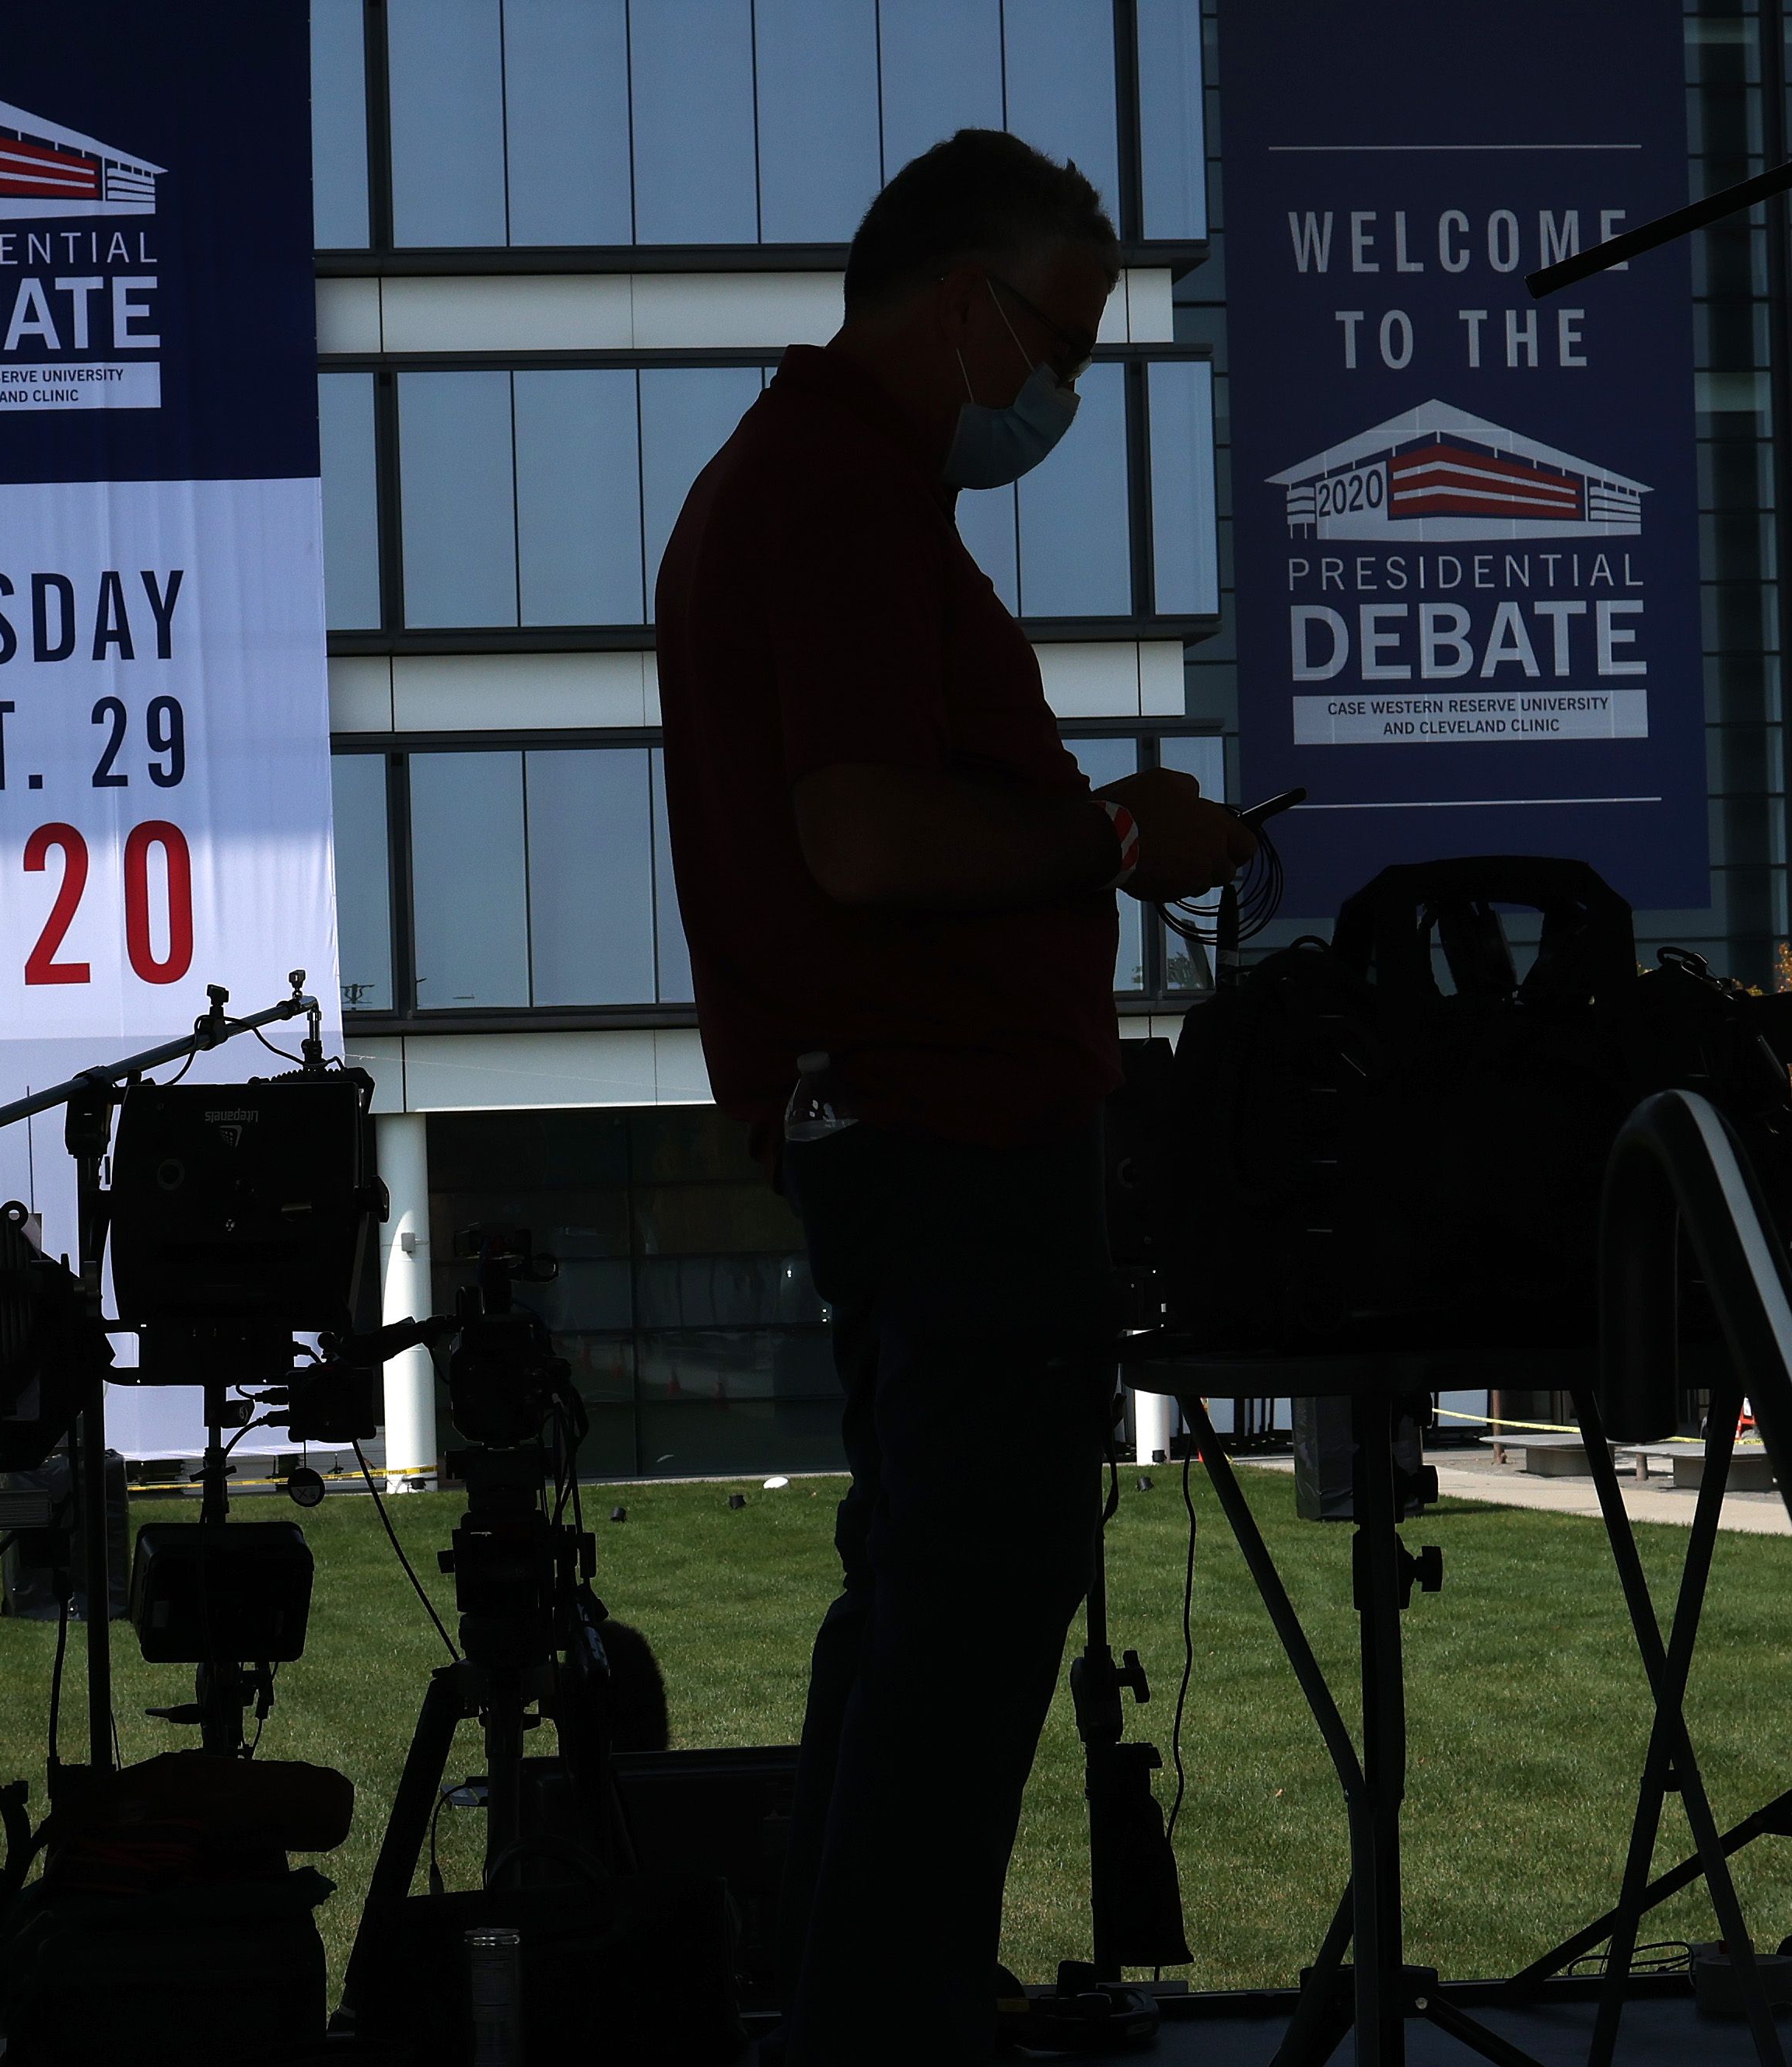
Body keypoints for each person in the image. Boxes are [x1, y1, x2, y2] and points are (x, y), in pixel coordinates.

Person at [652, 129, 1252, 2067]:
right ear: (964, 306)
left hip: (913, 1127)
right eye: (1059, 344)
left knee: (922, 1595)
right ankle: (881, 2023)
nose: (1063, 389)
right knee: (972, 1610)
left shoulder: (815, 489)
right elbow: (863, 839)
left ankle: (856, 2006)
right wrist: (1115, 835)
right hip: (952, 1138)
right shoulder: (835, 498)